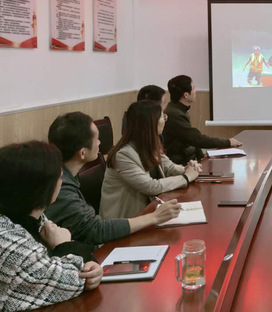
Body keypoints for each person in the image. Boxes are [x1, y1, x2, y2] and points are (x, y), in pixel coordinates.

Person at [47, 112, 181, 247]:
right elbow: (95, 230)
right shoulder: (60, 187)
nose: (100, 143)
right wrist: (154, 217)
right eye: (96, 139)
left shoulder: (64, 174)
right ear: (82, 153)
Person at [0, 141, 102, 311]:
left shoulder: (32, 216)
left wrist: (92, 266)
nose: (61, 182)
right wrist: (64, 244)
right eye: (60, 177)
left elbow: (82, 267)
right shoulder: (12, 243)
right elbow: (75, 280)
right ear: (42, 188)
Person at [100, 100, 201, 219]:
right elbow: (150, 186)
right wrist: (186, 177)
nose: (165, 120)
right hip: (125, 220)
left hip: (148, 211)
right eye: (162, 117)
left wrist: (189, 169)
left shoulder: (150, 145)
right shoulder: (123, 154)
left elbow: (169, 168)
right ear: (150, 123)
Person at [164, 75, 242, 165]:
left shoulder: (178, 109)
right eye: (193, 88)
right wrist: (227, 142)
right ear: (186, 95)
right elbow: (196, 139)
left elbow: (192, 139)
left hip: (189, 160)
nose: (195, 91)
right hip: (181, 164)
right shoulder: (175, 114)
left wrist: (201, 157)